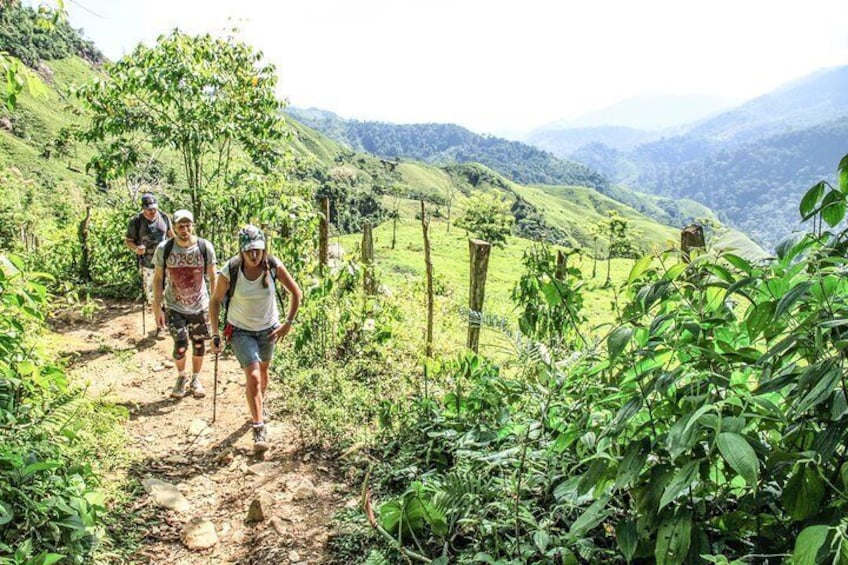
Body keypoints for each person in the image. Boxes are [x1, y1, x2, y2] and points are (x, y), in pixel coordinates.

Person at [210, 225, 302, 453]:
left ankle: (257, 406)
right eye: (249, 251)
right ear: (241, 251)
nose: (254, 255)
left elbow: (296, 293)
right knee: (253, 375)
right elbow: (215, 301)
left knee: (263, 371)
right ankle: (258, 425)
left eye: (258, 250)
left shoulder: (273, 266)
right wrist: (214, 332)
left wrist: (288, 323)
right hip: (240, 330)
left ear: (264, 249)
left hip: (268, 329)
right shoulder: (230, 270)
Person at [152, 209, 217, 399]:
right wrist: (157, 307)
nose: (185, 229)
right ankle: (181, 377)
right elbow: (158, 278)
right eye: (180, 225)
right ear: (173, 227)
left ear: (192, 226)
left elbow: (213, 277)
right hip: (174, 305)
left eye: (188, 225)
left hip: (199, 305)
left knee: (198, 344)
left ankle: (195, 379)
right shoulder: (165, 248)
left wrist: (214, 304)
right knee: (180, 344)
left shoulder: (205, 247)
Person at [125, 192, 173, 339]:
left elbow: (171, 235)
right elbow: (128, 240)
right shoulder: (136, 221)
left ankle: (169, 322)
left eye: (154, 209)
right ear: (143, 209)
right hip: (148, 264)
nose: (153, 212)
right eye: (149, 209)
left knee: (170, 293)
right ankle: (160, 326)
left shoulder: (164, 216)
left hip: (167, 262)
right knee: (154, 295)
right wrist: (136, 248)